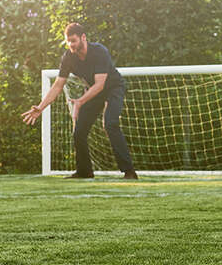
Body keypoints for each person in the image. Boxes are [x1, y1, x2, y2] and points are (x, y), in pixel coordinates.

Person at [22, 22, 137, 179]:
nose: (71, 44)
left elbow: (100, 84)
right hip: (93, 92)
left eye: (73, 40)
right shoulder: (68, 58)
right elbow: (57, 86)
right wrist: (41, 108)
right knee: (79, 132)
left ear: (83, 37)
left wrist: (80, 101)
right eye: (68, 41)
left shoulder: (99, 52)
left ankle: (129, 171)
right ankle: (85, 171)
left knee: (110, 124)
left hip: (113, 88)